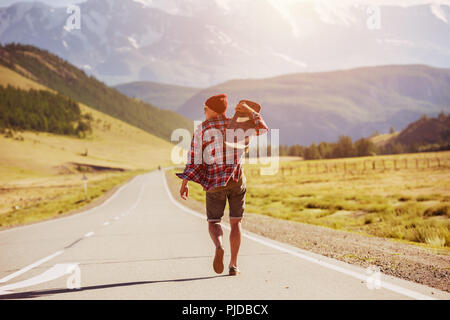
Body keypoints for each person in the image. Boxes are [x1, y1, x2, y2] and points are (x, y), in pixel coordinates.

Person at [176, 94, 268, 276]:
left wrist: (185, 182)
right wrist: (251, 112)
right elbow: (262, 128)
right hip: (236, 179)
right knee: (236, 223)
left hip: (214, 182)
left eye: (205, 109)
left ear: (213, 110)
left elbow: (193, 158)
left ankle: (219, 246)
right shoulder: (237, 124)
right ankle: (233, 265)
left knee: (214, 222)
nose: (203, 112)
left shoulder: (202, 129)